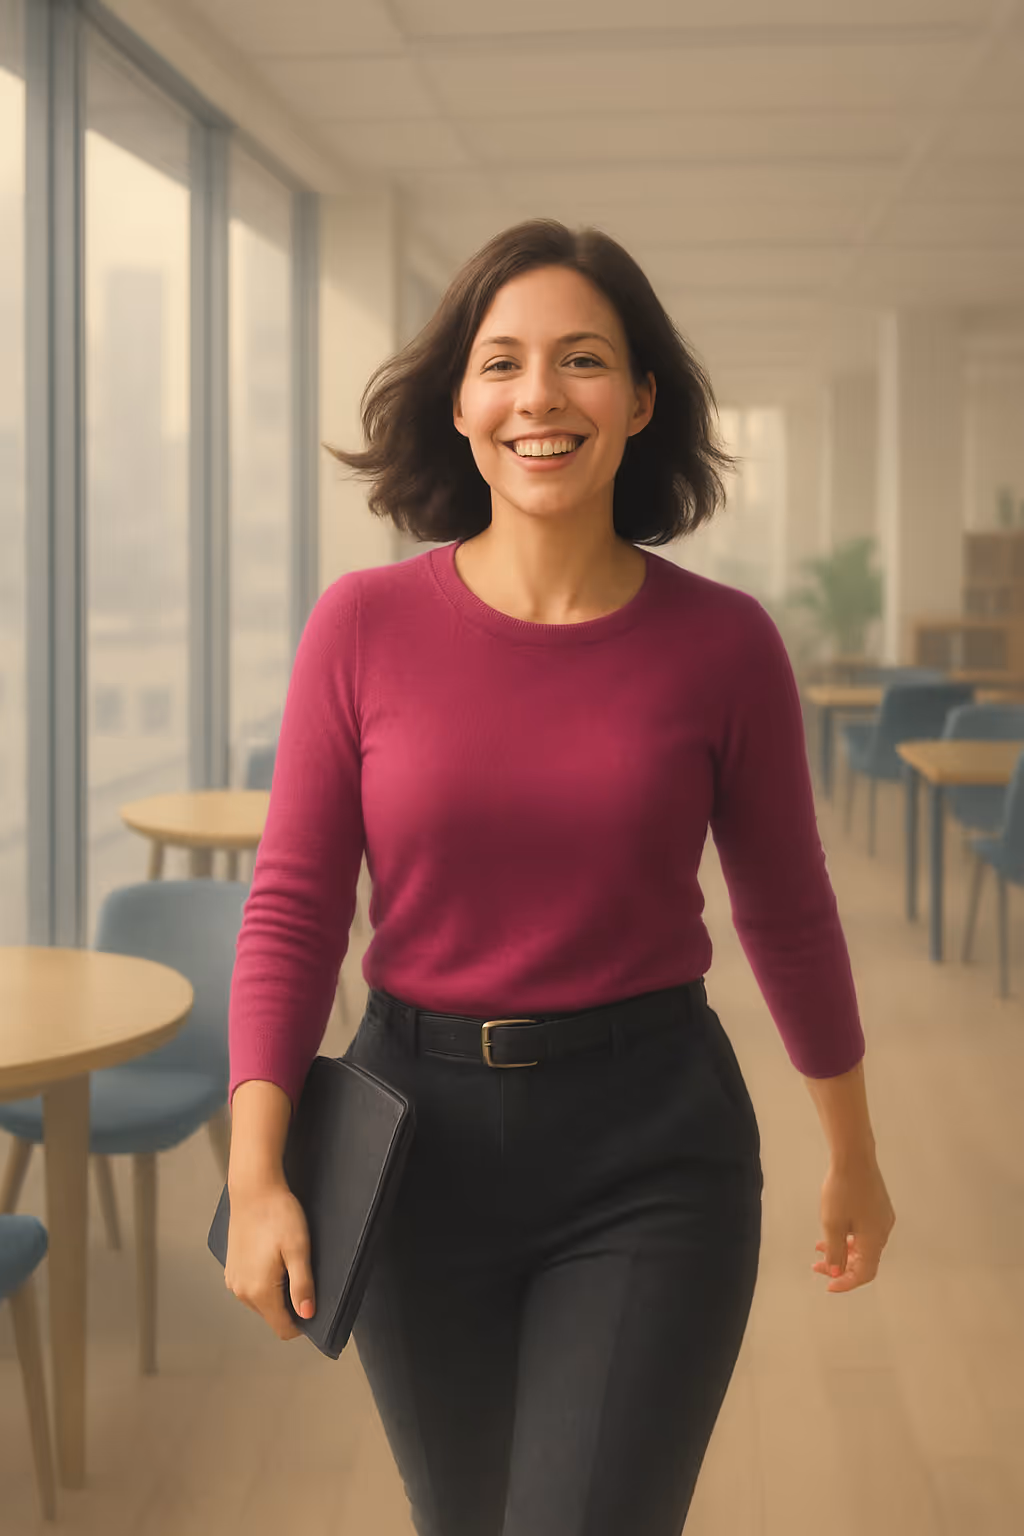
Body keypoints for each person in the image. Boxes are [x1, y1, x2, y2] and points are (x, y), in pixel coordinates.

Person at [223, 219, 896, 1536]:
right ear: (462, 405)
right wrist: (256, 1177)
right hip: (415, 1145)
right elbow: (296, 908)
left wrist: (854, 1155)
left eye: (583, 360)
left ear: (641, 401)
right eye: (503, 362)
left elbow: (789, 914)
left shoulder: (725, 645)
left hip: (653, 1151)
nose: (541, 394)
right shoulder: (361, 627)